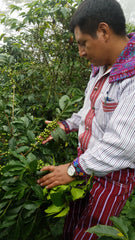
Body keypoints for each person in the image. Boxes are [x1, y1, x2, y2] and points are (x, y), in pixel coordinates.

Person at [37, 0, 135, 239]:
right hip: (88, 165)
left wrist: (72, 169)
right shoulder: (101, 69)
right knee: (74, 225)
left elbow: (123, 144)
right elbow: (88, 110)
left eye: (83, 43)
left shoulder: (131, 77)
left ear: (103, 31)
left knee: (91, 231)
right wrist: (65, 125)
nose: (81, 52)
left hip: (113, 177)